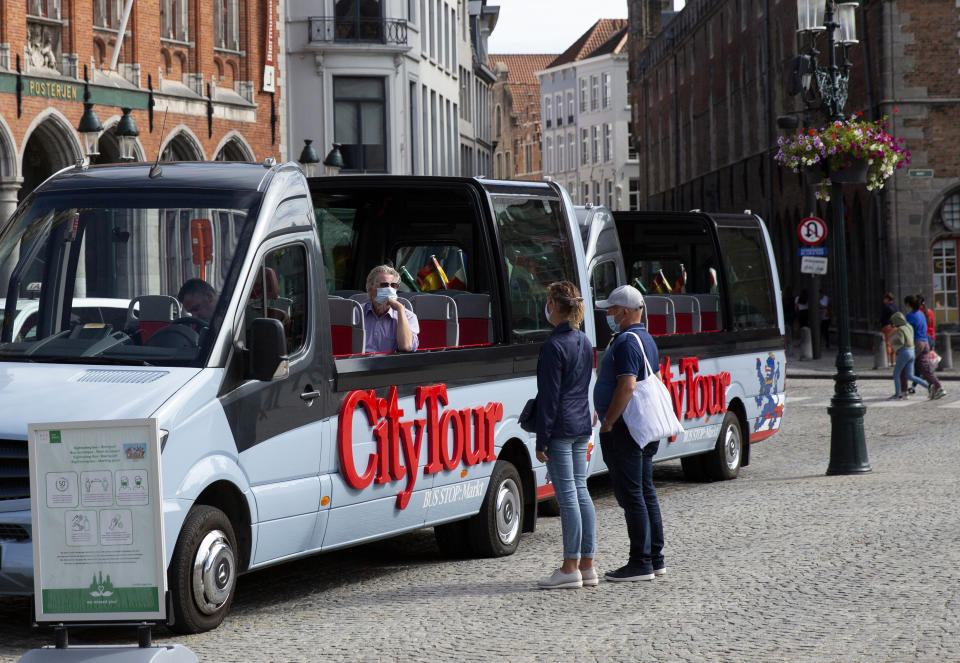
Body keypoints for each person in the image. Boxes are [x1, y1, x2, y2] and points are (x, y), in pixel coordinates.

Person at [594, 284, 665, 582]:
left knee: (632, 494)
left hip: (626, 428)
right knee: (646, 491)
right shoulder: (646, 338)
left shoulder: (624, 342)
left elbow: (628, 385)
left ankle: (640, 562)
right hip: (642, 428)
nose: (607, 314)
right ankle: (655, 557)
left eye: (610, 309)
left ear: (623, 311)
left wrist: (609, 420)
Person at [534, 282, 596, 590]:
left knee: (568, 495)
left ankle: (570, 566)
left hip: (560, 427)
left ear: (555, 307)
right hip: (580, 424)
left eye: (547, 301)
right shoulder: (584, 340)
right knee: (581, 492)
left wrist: (541, 438)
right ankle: (587, 564)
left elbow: (549, 397)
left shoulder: (553, 345)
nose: (545, 306)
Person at [361, 265, 419, 353]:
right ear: (370, 290)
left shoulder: (408, 316)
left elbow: (406, 347)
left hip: (391, 365)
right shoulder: (357, 313)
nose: (389, 289)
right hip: (359, 364)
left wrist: (400, 309)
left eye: (393, 285)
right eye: (384, 285)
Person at [905, 295, 945, 400]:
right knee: (925, 368)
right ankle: (939, 388)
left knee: (905, 365)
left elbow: (906, 330)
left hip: (916, 342)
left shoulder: (910, 316)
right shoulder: (922, 314)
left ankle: (904, 390)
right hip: (925, 342)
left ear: (908, 305)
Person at [889, 311, 928, 400]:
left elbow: (901, 342)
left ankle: (898, 394)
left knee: (896, 374)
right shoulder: (909, 326)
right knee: (910, 375)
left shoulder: (901, 329)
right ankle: (928, 386)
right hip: (912, 351)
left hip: (904, 352)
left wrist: (894, 342)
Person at [880, 292, 897, 366]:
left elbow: (882, 318)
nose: (883, 301)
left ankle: (888, 361)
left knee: (887, 343)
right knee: (893, 343)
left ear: (887, 299)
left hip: (887, 326)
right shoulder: (895, 307)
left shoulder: (886, 307)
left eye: (884, 299)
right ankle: (893, 361)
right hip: (895, 326)